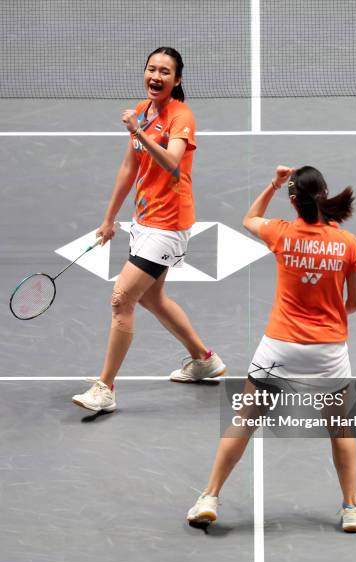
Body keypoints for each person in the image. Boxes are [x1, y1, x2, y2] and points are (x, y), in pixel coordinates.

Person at [187, 165, 356, 533]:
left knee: (244, 422)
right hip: (328, 353)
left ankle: (209, 497)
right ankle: (351, 508)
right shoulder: (348, 244)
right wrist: (330, 314)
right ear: (325, 194)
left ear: (293, 201)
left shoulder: (280, 233)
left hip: (278, 349)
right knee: (341, 430)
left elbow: (249, 218)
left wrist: (272, 183)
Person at [72, 47, 225, 412]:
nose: (156, 76)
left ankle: (105, 388)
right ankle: (204, 359)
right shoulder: (142, 110)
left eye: (165, 72)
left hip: (168, 225)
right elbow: (129, 168)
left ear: (177, 80)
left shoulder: (180, 115)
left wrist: (139, 131)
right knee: (153, 298)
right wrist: (109, 219)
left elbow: (172, 162)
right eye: (151, 69)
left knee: (122, 299)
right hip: (144, 220)